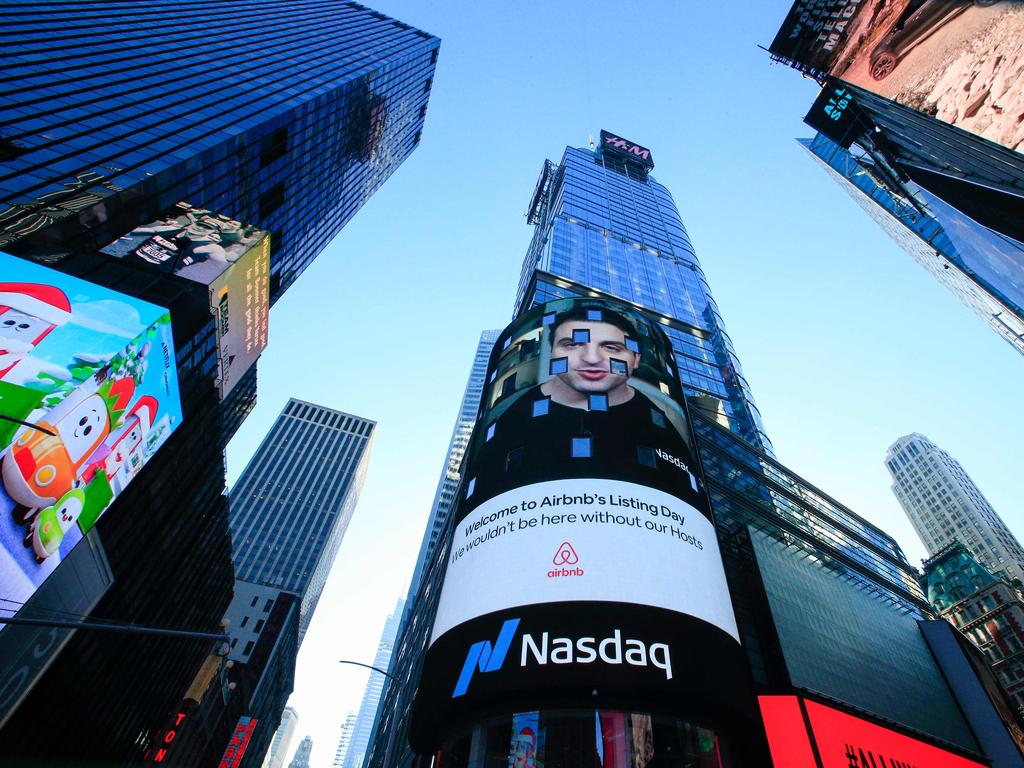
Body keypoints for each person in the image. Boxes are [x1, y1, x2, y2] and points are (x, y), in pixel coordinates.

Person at [464, 305, 704, 513]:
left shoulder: (664, 422)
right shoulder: (510, 421)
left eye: (611, 348)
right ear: (553, 353)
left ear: (636, 359)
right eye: (572, 344)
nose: (591, 358)